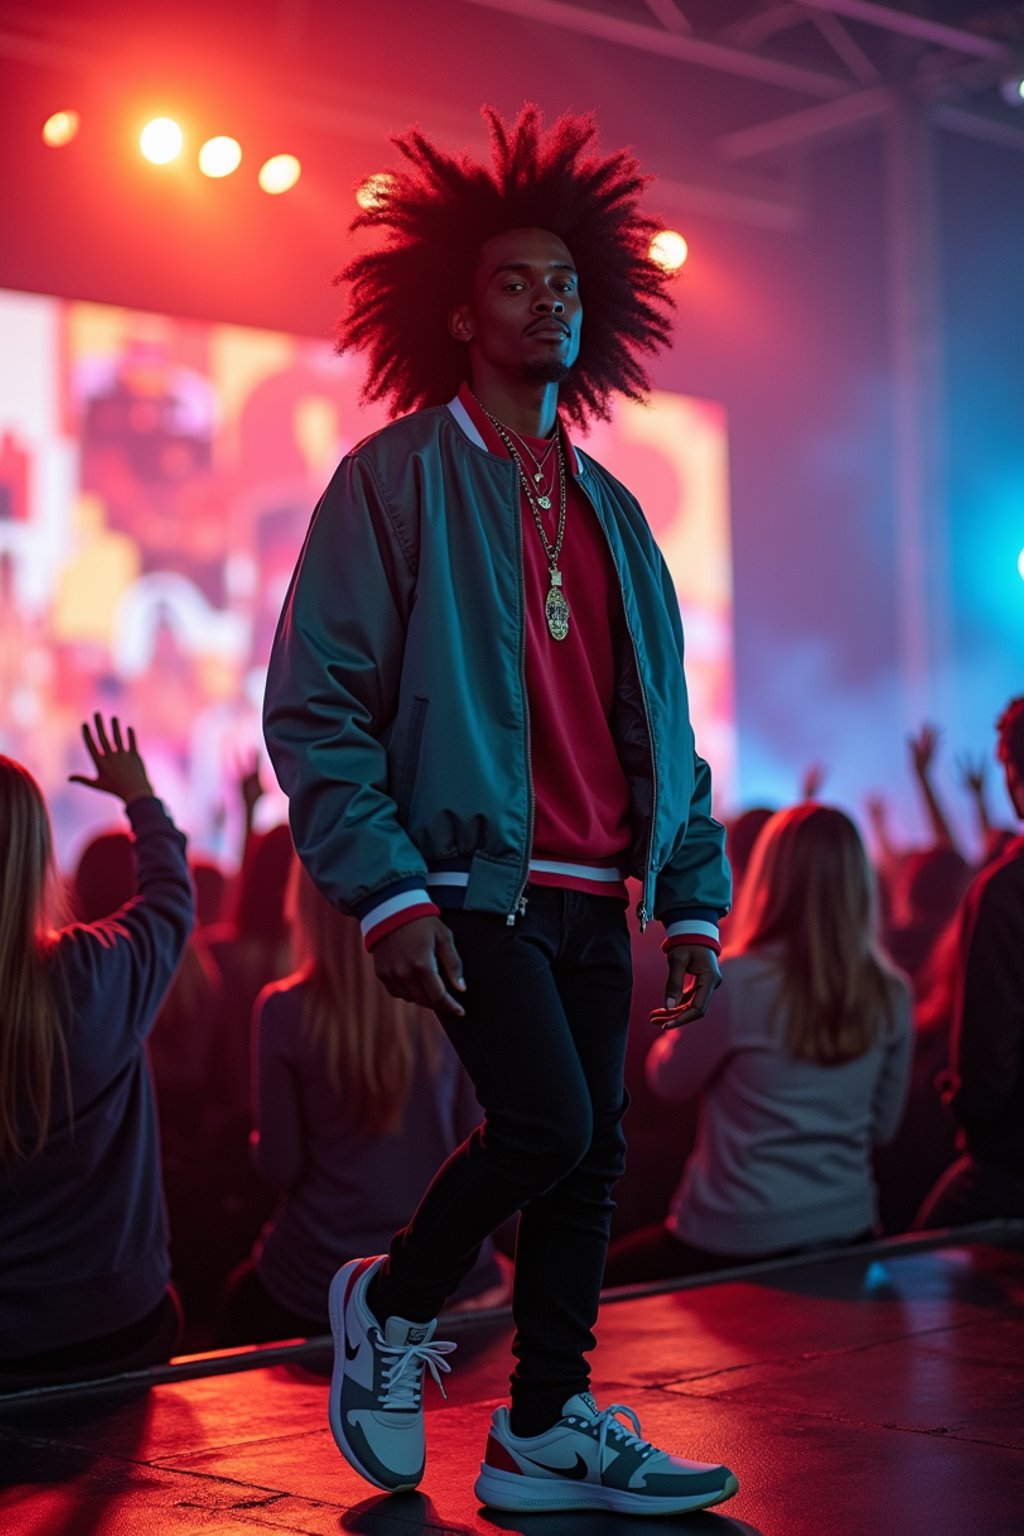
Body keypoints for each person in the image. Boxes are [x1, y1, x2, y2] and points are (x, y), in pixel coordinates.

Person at [263, 106, 737, 1517]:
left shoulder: (616, 508)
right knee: (548, 1126)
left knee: (588, 1160)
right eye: (520, 280)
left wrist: (695, 891)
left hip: (605, 892)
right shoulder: (392, 480)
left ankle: (542, 1426)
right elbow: (318, 705)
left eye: (570, 282)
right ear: (459, 310)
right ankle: (396, 1301)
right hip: (479, 885)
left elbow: (665, 720)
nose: (552, 300)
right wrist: (387, 891)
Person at [605, 805, 911, 1284]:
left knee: (594, 1286)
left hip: (734, 1236)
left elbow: (667, 1081)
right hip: (849, 1229)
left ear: (769, 876)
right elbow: (885, 1126)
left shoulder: (736, 982)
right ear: (860, 884)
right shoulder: (892, 992)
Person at [218, 863, 507, 1345]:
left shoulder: (283, 1011)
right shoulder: (451, 997)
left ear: (306, 908)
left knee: (236, 1298)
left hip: (321, 1281)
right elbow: (482, 1141)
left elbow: (280, 1167)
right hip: (446, 1272)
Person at [0, 715, 194, 1388]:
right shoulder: (95, 972)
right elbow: (171, 900)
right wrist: (141, 799)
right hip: (117, 1323)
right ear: (36, 854)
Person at [914, 697, 1024, 1228]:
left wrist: (962, 1103)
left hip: (1010, 1166)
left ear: (1014, 778)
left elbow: (987, 1061)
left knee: (907, 1284)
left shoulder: (1004, 894)